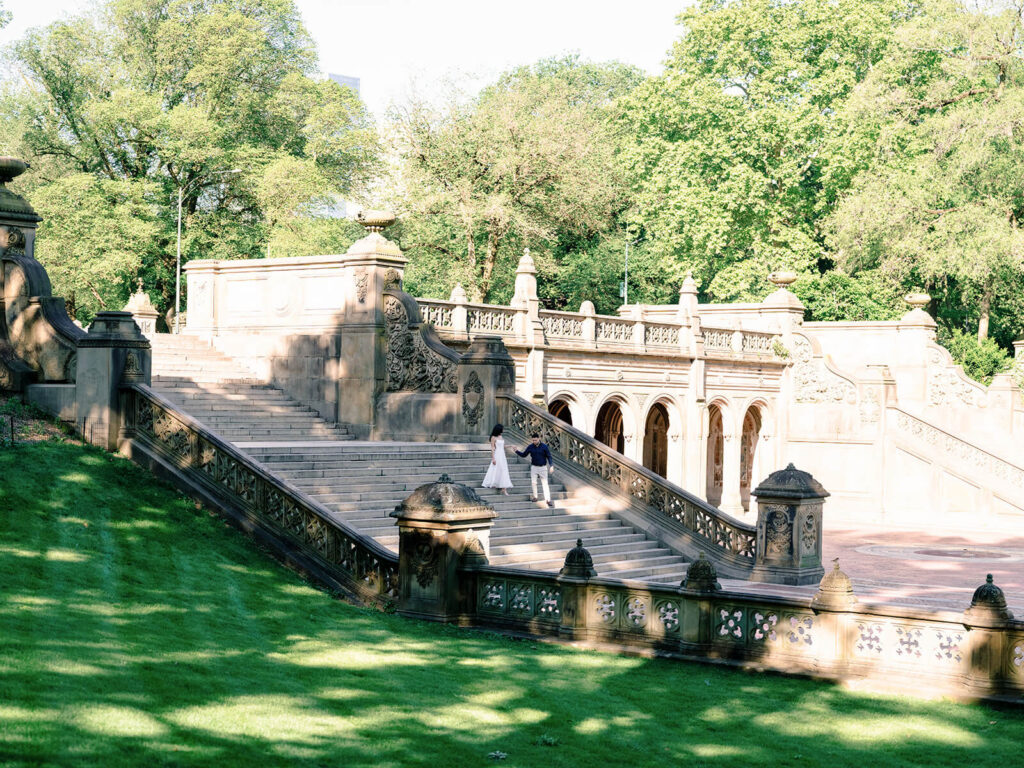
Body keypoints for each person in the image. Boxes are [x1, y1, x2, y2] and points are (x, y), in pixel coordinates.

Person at [515, 432, 554, 507]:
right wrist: (516, 451)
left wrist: (551, 465)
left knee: (545, 484)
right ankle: (535, 497)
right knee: (534, 483)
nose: (534, 442)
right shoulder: (530, 447)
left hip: (543, 467)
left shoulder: (544, 446)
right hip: (534, 467)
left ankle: (548, 500)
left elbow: (549, 456)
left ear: (539, 439)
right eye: (533, 440)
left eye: (535, 440)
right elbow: (524, 455)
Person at [482, 423, 512, 495]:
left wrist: (511, 445)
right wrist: (493, 458)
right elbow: (492, 448)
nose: (503, 430)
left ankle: (503, 488)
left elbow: (503, 446)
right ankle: (495, 484)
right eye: (502, 429)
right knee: (496, 469)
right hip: (497, 454)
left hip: (502, 455)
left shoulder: (501, 436)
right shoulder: (493, 437)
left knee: (503, 469)